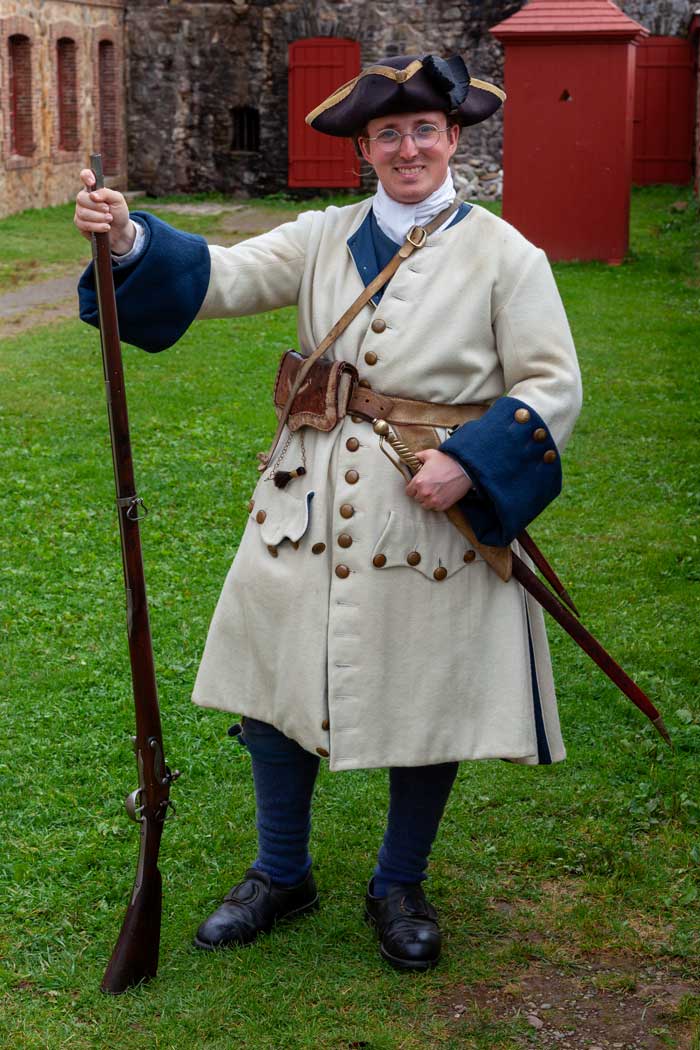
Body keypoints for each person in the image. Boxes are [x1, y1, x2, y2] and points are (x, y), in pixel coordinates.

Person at [75, 53, 582, 972]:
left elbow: (553, 388)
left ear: (454, 138)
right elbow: (222, 277)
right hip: (300, 504)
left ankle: (398, 883)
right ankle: (281, 873)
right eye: (387, 134)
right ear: (365, 153)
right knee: (274, 687)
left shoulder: (508, 255)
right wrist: (126, 243)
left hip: (431, 521)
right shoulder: (321, 236)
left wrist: (470, 466)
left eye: (424, 129)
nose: (408, 147)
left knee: (426, 695)